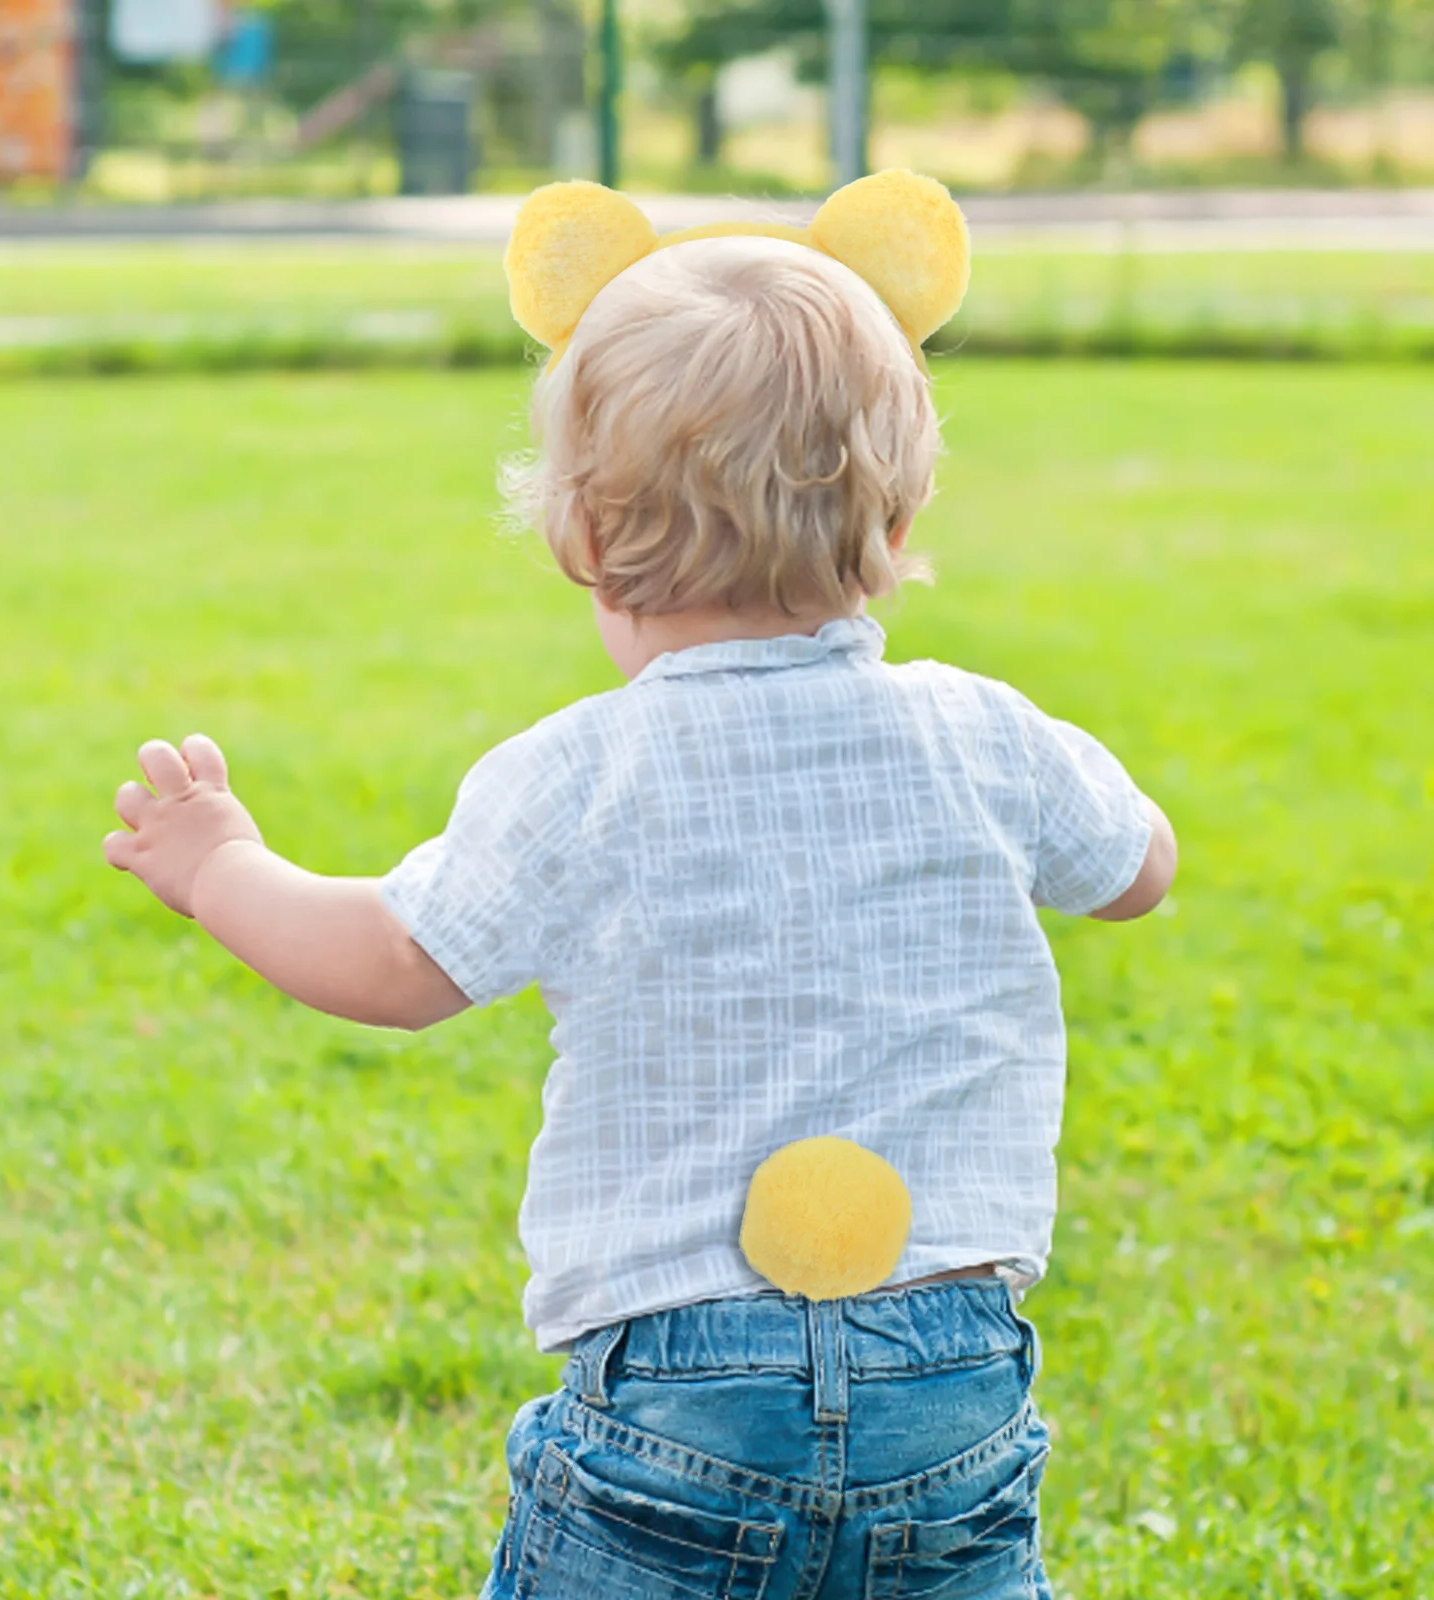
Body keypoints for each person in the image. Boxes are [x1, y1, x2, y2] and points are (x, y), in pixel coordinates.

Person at [102, 233, 1177, 1600]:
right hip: (951, 1385)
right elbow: (1137, 871)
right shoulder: (984, 734)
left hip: (677, 1402)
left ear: (587, 538)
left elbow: (391, 960)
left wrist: (218, 868)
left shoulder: (579, 772)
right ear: (898, 526)